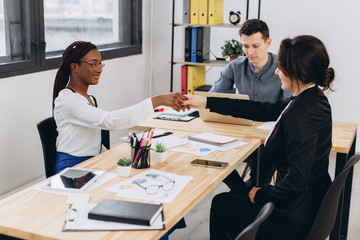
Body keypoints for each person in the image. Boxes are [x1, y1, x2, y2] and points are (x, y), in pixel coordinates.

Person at [182, 35, 334, 240]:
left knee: (222, 203)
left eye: (281, 67)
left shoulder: (300, 115)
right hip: (306, 206)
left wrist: (261, 194)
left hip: (290, 220)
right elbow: (259, 110)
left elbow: (297, 180)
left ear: (295, 71)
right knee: (237, 192)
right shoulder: (312, 99)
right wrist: (205, 101)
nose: (277, 71)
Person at [52, 41, 187, 174]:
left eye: (100, 64)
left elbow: (92, 145)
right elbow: (109, 120)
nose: (99, 69)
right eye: (93, 64)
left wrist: (115, 157)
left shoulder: (89, 99)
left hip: (91, 162)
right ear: (74, 67)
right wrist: (157, 101)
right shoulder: (68, 100)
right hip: (71, 170)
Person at [210, 19, 291, 103]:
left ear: (268, 43)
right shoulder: (235, 66)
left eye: (255, 46)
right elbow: (212, 97)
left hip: (273, 116)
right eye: (246, 46)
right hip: (241, 116)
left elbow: (291, 106)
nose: (250, 52)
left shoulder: (284, 67)